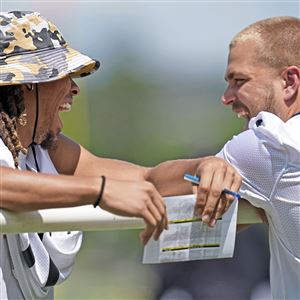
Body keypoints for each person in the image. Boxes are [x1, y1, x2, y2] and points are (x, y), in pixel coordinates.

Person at [0, 11, 241, 300]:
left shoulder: (45, 153)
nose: (74, 89)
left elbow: (146, 178)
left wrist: (204, 166)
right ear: (29, 83)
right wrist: (99, 191)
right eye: (63, 76)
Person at [198, 16, 299, 299]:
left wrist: (203, 165)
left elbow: (166, 211)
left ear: (289, 81)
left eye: (238, 80)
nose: (226, 97)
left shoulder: (272, 145)